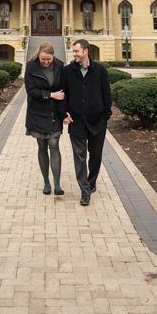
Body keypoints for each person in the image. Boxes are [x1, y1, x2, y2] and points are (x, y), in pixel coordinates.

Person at [59, 39, 112, 206]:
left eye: (77, 51)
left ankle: (92, 180)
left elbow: (106, 94)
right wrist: (64, 113)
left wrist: (106, 115)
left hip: (97, 121)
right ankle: (84, 190)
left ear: (86, 51)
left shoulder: (100, 70)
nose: (74, 54)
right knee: (79, 157)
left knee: (95, 155)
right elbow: (62, 95)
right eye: (73, 51)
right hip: (76, 121)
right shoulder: (67, 71)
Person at [23, 40, 66, 196]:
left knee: (54, 144)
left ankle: (57, 184)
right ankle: (46, 183)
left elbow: (64, 89)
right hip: (37, 112)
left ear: (53, 56)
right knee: (42, 147)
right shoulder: (31, 66)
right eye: (43, 60)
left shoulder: (60, 66)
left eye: (49, 60)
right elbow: (30, 90)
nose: (46, 62)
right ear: (38, 56)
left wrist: (65, 112)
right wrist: (50, 95)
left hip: (54, 112)